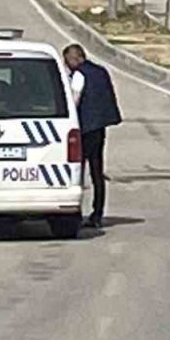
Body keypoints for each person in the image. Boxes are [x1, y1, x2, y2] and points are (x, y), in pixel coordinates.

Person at [62, 44, 122, 228]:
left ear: (75, 58)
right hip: (99, 127)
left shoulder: (79, 75)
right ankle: (97, 214)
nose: (67, 66)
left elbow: (74, 100)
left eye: (67, 61)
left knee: (77, 172)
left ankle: (75, 213)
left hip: (84, 128)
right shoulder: (100, 71)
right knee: (97, 171)